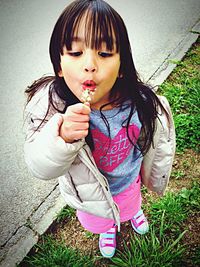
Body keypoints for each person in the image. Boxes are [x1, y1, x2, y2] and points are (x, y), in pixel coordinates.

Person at [24, 0, 174, 258]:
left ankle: (133, 213)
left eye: (104, 54)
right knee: (102, 219)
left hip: (128, 181)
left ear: (122, 65)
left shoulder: (140, 102)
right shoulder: (51, 107)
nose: (90, 64)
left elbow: (156, 144)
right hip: (92, 196)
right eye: (75, 53)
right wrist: (61, 137)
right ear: (59, 64)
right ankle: (108, 229)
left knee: (130, 203)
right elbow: (40, 166)